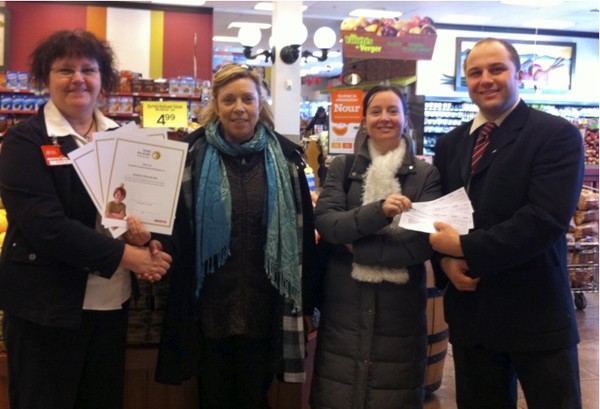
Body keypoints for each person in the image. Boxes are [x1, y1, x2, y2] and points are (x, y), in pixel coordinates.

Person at [0, 29, 173, 409]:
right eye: (65, 70)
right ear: (45, 78)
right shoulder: (24, 141)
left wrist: (147, 240)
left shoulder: (123, 138)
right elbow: (46, 227)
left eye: (88, 70)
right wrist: (129, 257)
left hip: (111, 303)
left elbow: (139, 212)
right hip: (46, 307)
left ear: (102, 79)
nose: (78, 79)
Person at [430, 38, 584, 409]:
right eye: (475, 72)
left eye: (496, 69)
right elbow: (439, 213)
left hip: (535, 312)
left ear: (519, 74)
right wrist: (446, 261)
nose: (485, 79)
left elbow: (545, 219)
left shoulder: (555, 135)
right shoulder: (451, 144)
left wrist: (464, 249)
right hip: (473, 315)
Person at [154, 64, 318, 408]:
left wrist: (307, 301)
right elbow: (171, 224)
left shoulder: (287, 160)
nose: (239, 108)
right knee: (211, 396)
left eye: (247, 99)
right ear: (216, 104)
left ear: (260, 103)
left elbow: (303, 237)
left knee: (254, 396)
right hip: (208, 307)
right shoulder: (190, 157)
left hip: (264, 307)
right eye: (229, 100)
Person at [310, 85, 442, 408]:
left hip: (400, 314)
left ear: (405, 118)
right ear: (364, 119)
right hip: (343, 308)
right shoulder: (342, 168)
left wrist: (359, 249)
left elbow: (421, 244)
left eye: (393, 111)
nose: (385, 118)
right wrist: (379, 211)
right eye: (376, 111)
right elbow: (327, 222)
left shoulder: (426, 175)